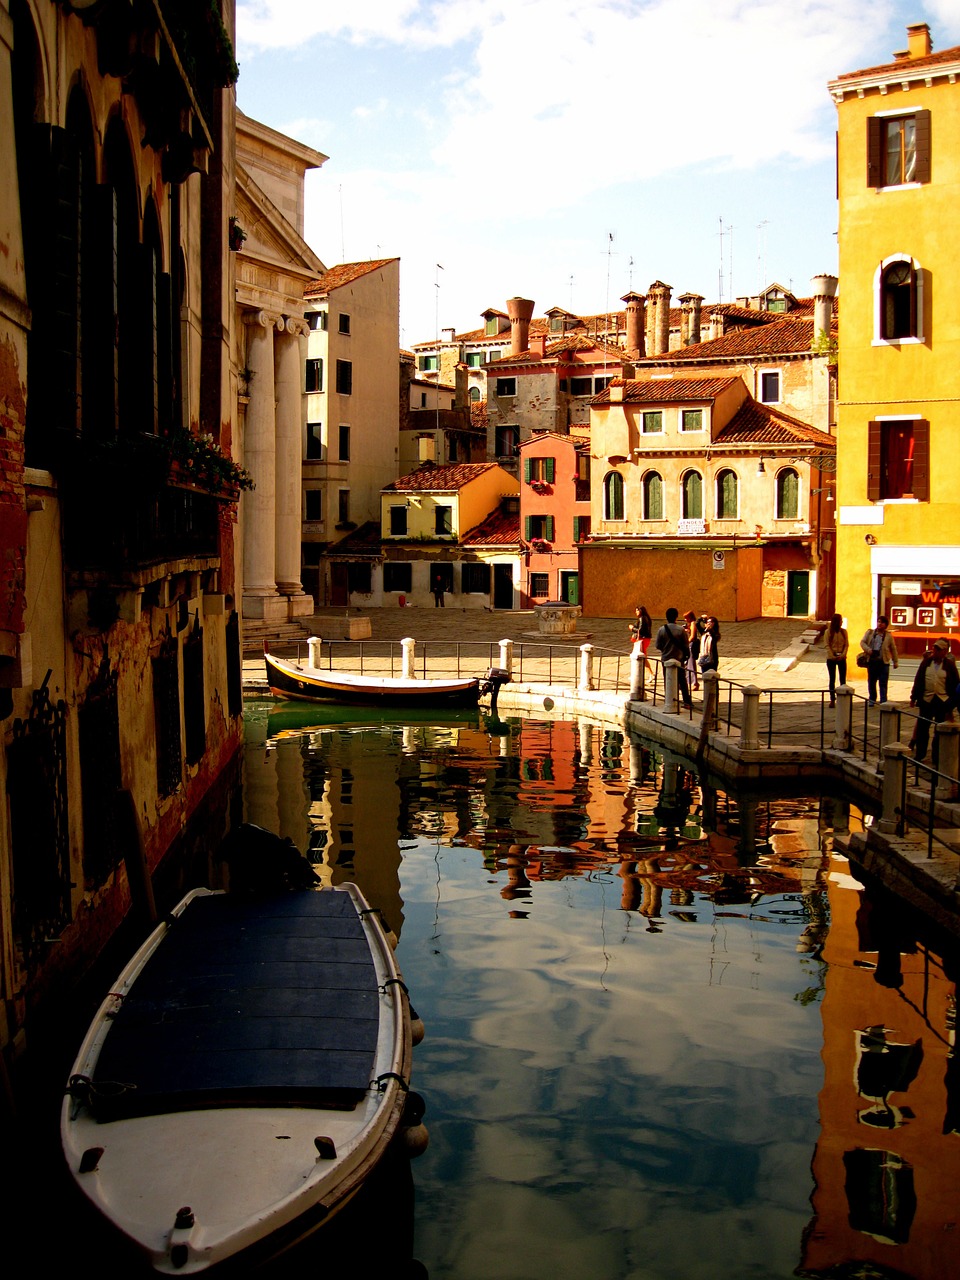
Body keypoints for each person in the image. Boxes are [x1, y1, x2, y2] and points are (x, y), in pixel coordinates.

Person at [909, 638, 959, 765]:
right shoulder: (926, 663)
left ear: (944, 651)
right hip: (927, 700)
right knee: (922, 729)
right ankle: (920, 755)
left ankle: (937, 757)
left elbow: (954, 684)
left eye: (938, 649)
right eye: (934, 648)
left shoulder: (949, 665)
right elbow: (919, 680)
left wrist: (952, 703)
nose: (934, 651)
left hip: (942, 701)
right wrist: (913, 697)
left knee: (939, 730)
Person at [655, 607, 692, 708]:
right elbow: (685, 645)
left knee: (667, 679)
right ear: (676, 617)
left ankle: (669, 699)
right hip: (678, 658)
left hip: (666, 658)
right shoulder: (681, 630)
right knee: (682, 681)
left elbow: (658, 645)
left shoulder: (661, 630)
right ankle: (687, 702)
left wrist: (665, 648)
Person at [859, 615, 899, 705]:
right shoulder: (870, 633)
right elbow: (862, 642)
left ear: (886, 625)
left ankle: (883, 700)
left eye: (882, 622)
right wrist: (868, 650)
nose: (880, 624)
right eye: (879, 622)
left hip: (883, 662)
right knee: (871, 682)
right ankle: (872, 699)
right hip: (872, 661)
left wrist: (895, 661)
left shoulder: (888, 636)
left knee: (883, 683)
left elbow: (893, 649)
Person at [824, 613, 848, 707]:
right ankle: (832, 699)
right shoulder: (828, 632)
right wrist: (832, 655)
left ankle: (843, 699)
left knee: (842, 679)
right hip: (831, 658)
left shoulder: (844, 632)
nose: (842, 622)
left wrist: (843, 654)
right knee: (832, 679)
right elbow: (827, 645)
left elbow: (846, 644)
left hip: (841, 657)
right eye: (840, 620)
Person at [682, 610, 700, 692]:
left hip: (692, 645)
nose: (685, 620)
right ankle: (690, 682)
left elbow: (692, 636)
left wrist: (687, 642)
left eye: (686, 618)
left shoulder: (693, 624)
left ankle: (694, 683)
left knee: (691, 664)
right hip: (691, 645)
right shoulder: (691, 624)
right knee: (688, 663)